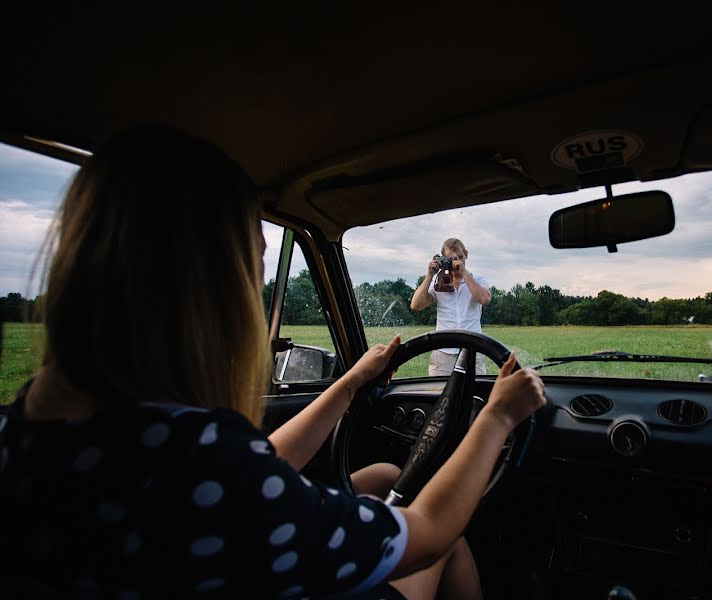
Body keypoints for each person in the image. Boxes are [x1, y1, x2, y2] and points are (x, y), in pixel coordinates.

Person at [0, 127, 546, 599]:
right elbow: (427, 531)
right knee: (448, 549)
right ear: (213, 295)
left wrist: (351, 384)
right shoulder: (203, 470)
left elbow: (259, 463)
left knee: (384, 473)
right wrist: (498, 416)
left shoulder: (40, 436)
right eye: (253, 270)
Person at [410, 238, 492, 376]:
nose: (456, 262)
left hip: (472, 350)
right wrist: (430, 274)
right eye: (451, 259)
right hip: (443, 353)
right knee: (438, 394)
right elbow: (416, 305)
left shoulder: (478, 280)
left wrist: (464, 272)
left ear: (466, 254)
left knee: (476, 393)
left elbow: (484, 299)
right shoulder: (438, 283)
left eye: (460, 257)